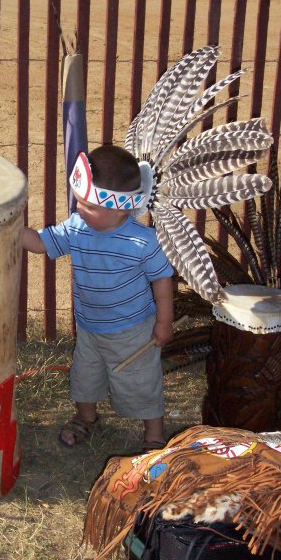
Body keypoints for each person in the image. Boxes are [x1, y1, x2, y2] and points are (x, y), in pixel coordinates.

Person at [22, 145, 175, 451]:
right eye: (78, 202)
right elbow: (40, 243)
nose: (79, 210)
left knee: (141, 381)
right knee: (85, 377)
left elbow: (162, 281)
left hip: (133, 331)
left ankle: (154, 435)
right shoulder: (77, 228)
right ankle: (86, 417)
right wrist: (9, 230)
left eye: (89, 206)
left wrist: (164, 322)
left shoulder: (143, 241)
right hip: (90, 328)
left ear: (120, 208)